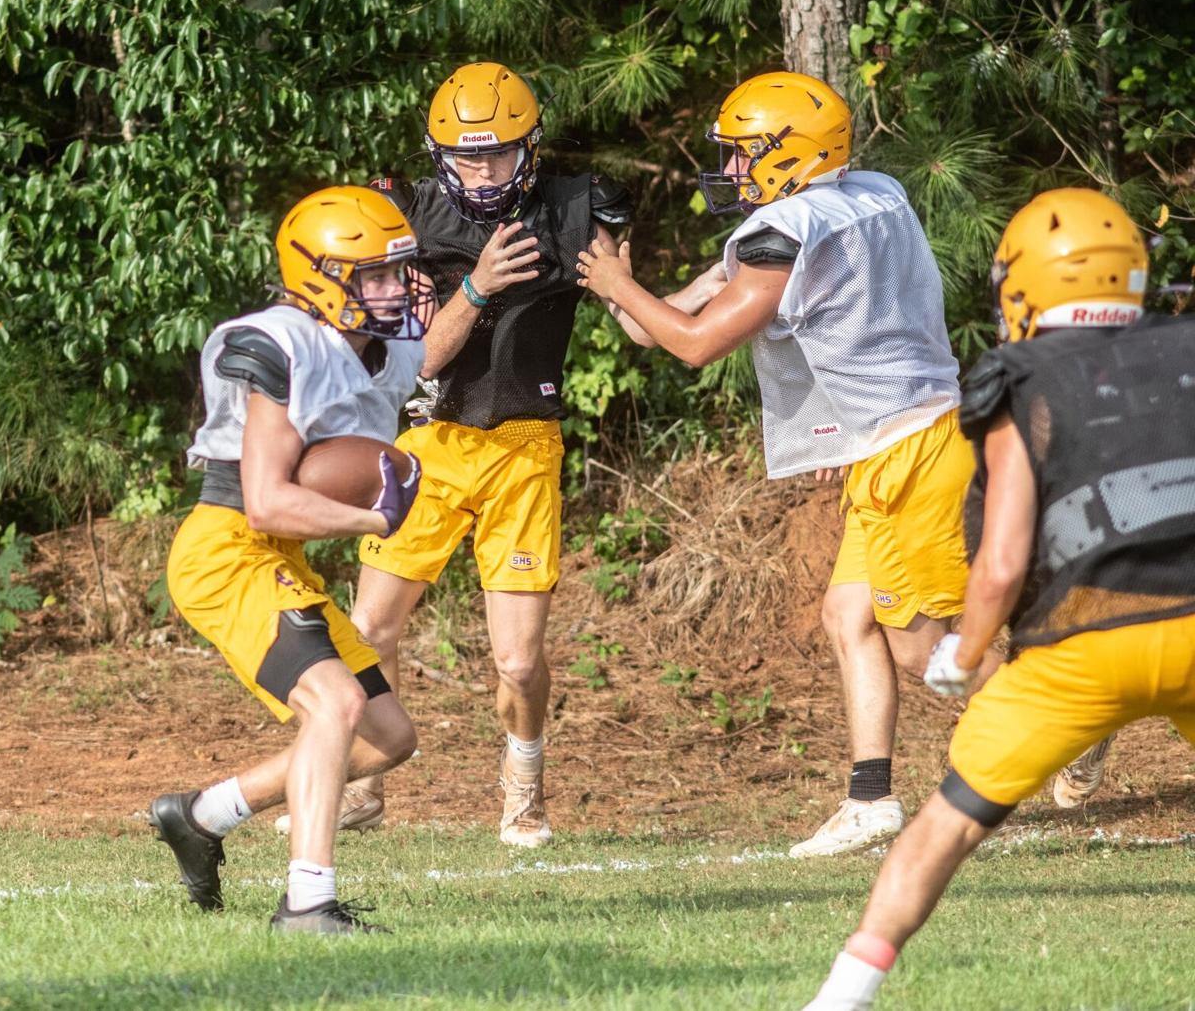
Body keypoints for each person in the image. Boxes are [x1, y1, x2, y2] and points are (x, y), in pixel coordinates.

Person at [800, 187, 1195, 1010]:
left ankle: (840, 998)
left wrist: (964, 651)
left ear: (1019, 287)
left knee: (938, 834)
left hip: (1083, 655)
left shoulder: (1026, 380)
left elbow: (1003, 562)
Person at [577, 71, 985, 857]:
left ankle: (1064, 724)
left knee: (919, 647)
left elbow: (694, 344)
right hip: (901, 436)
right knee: (848, 615)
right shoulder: (870, 190)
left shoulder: (782, 233)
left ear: (787, 155)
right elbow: (660, 324)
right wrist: (617, 290)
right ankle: (870, 800)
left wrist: (618, 281)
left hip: (911, 451)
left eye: (742, 154)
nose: (730, 170)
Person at [332, 61, 726, 847]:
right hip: (430, 441)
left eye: (500, 154)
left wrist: (725, 273)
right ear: (440, 152)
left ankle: (523, 782)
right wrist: (474, 288)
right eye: (468, 156)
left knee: (517, 663)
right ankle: (364, 780)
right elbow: (424, 363)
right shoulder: (409, 215)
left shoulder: (574, 209)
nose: (483, 171)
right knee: (369, 626)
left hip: (523, 448)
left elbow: (643, 327)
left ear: (532, 149)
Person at [149, 186, 432, 932]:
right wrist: (374, 517)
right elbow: (268, 502)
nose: (393, 290)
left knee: (386, 737)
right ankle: (308, 903)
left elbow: (436, 345)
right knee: (335, 705)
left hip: (275, 555)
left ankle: (203, 815)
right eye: (372, 276)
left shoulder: (375, 345)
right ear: (317, 277)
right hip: (227, 548)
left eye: (396, 273)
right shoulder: (275, 342)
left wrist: (475, 288)